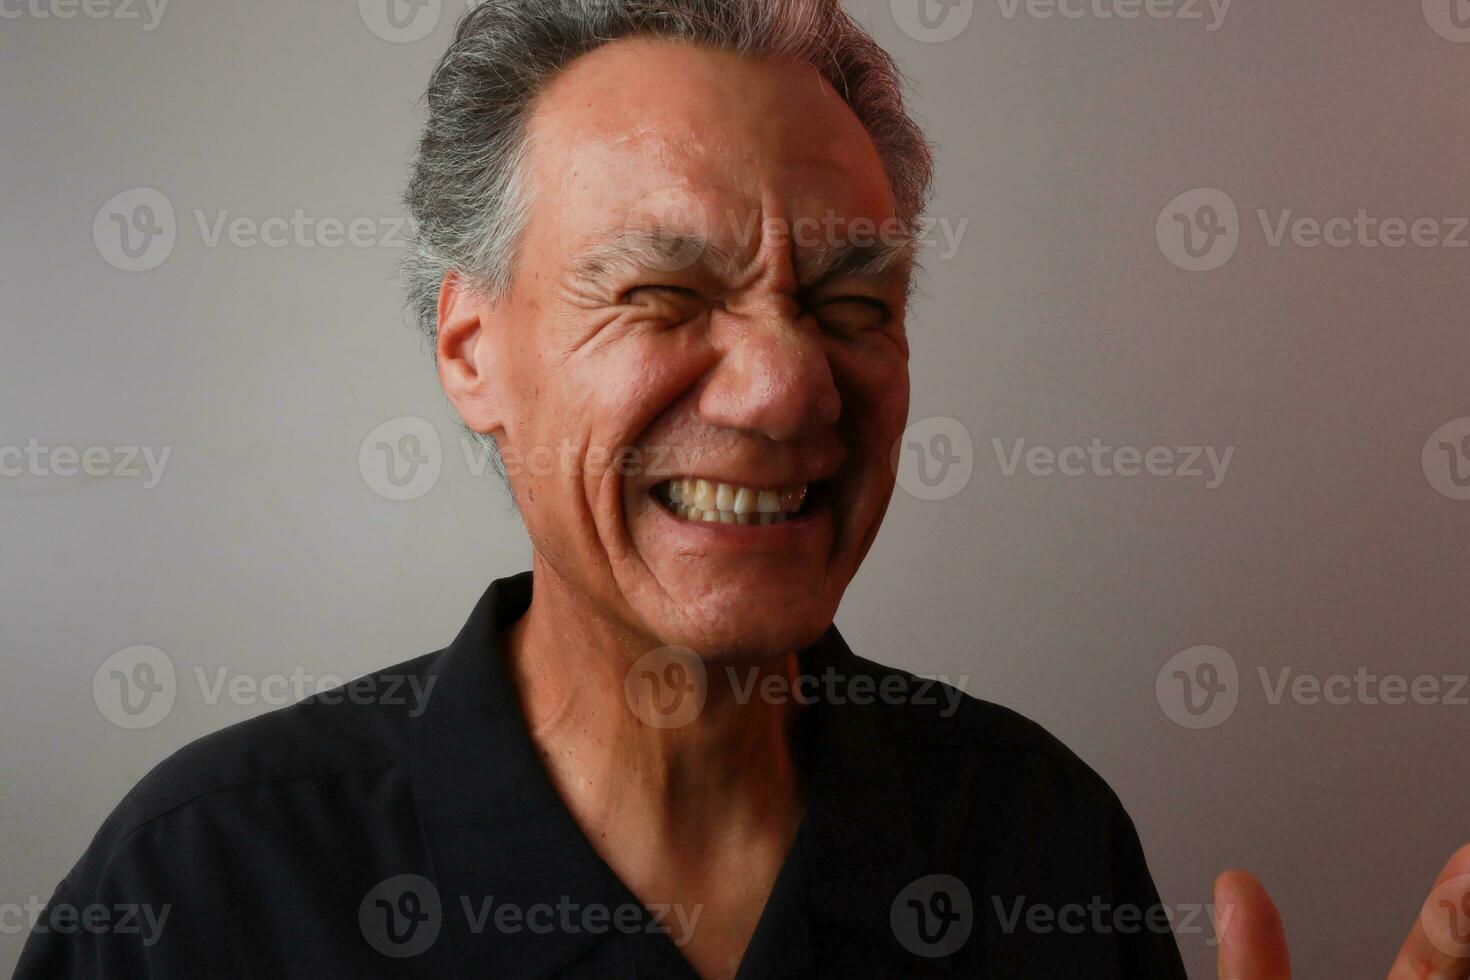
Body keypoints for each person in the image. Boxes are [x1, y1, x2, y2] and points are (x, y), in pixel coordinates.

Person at [18, 2, 1468, 977]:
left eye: (850, 302)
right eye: (660, 291)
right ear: (474, 350)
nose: (785, 389)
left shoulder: (1038, 843)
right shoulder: (200, 892)